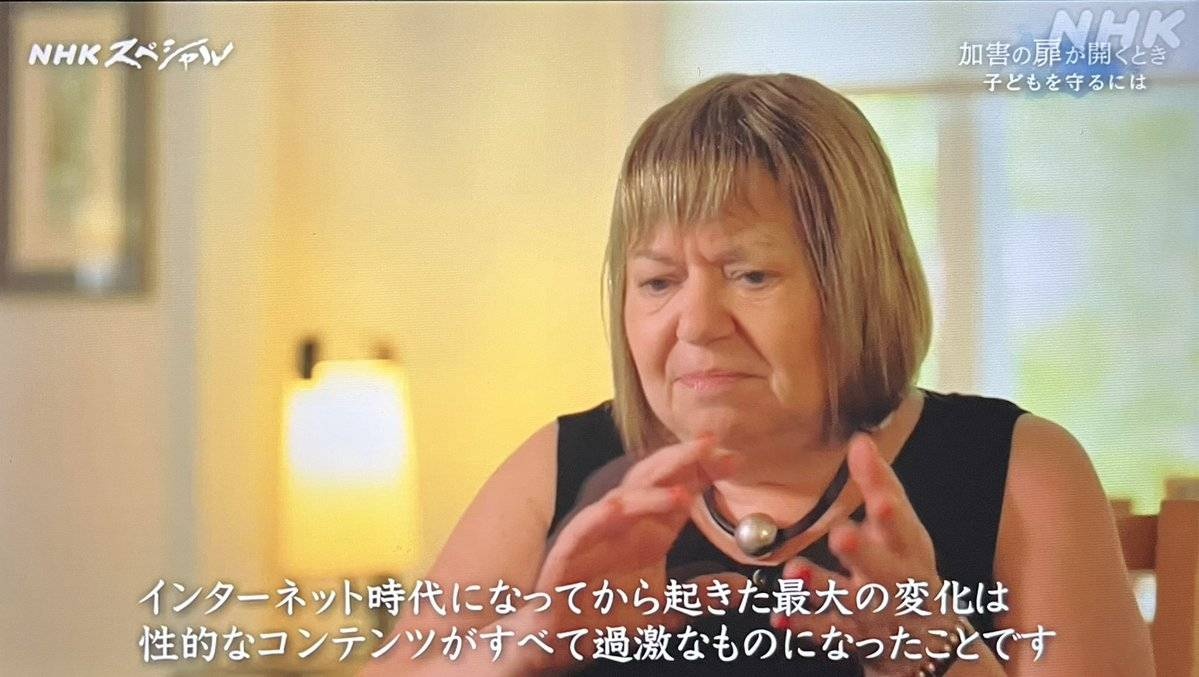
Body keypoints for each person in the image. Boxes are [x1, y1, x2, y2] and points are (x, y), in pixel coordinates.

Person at [362, 73, 1152, 676]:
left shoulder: (1020, 468)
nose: (695, 324)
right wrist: (531, 636)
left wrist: (940, 652)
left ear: (855, 284)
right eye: (657, 281)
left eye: (749, 275)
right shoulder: (559, 466)